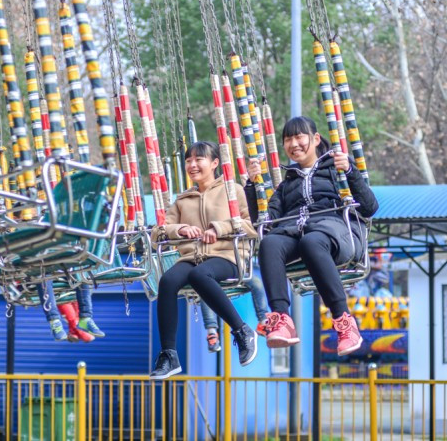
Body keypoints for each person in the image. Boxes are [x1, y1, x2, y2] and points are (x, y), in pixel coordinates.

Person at [246, 116, 378, 355]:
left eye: (299, 137)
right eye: (288, 139)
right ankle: (281, 318)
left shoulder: (335, 172)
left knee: (312, 241)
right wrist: (251, 185)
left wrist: (350, 171)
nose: (294, 144)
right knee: (269, 243)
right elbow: (264, 222)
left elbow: (369, 207)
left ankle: (343, 322)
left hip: (335, 234)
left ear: (315, 139)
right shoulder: (286, 186)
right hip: (295, 233)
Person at [150, 141, 259, 379]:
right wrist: (179, 230)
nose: (192, 165)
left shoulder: (232, 191)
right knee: (167, 281)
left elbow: (251, 226)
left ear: (214, 163)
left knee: (200, 276)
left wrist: (218, 228)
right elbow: (157, 233)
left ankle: (241, 331)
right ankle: (169, 354)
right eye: (189, 160)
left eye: (199, 159)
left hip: (227, 256)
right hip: (192, 257)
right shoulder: (182, 200)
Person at [201, 271, 269, 353]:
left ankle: (263, 322)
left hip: (234, 269)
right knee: (205, 288)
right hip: (211, 273)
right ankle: (211, 332)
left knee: (257, 283)